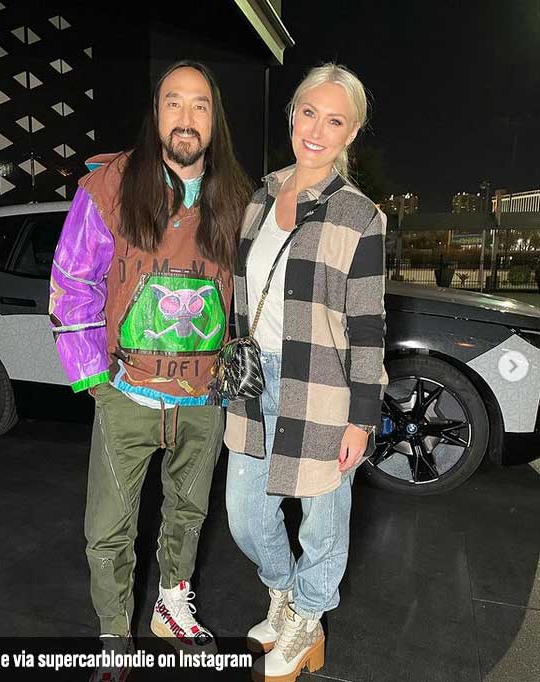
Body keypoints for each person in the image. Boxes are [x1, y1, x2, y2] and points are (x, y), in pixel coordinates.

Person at [49, 60, 251, 676]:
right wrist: (94, 379)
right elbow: (72, 280)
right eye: (173, 103)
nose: (186, 117)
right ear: (155, 113)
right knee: (108, 527)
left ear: (215, 119)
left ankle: (171, 606)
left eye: (199, 105)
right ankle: (114, 633)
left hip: (204, 397)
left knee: (188, 513)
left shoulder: (237, 197)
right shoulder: (110, 186)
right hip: (127, 392)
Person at [224, 63, 388, 682]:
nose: (317, 131)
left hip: (322, 386)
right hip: (254, 382)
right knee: (245, 513)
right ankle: (286, 594)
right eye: (309, 113)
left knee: (323, 520)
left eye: (335, 121)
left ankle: (308, 618)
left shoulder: (360, 217)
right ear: (293, 114)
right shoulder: (260, 198)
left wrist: (361, 419)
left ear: (351, 133)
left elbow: (368, 326)